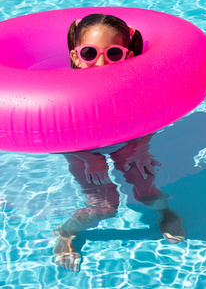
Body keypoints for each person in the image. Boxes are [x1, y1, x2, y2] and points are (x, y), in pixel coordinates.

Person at [54, 14, 184, 272]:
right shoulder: (62, 91)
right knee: (104, 208)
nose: (101, 62)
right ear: (76, 56)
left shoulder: (135, 86)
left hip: (127, 143)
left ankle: (167, 213)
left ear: (127, 55)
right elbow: (57, 134)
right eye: (90, 53)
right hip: (82, 150)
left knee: (147, 192)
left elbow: (153, 119)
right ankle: (65, 232)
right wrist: (90, 159)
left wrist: (142, 148)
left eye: (113, 53)